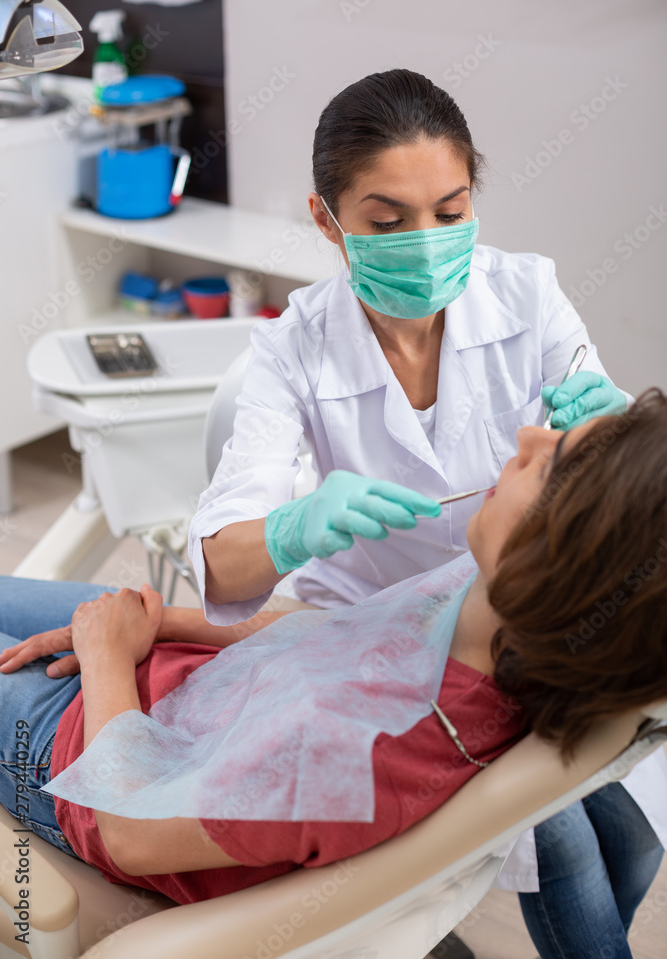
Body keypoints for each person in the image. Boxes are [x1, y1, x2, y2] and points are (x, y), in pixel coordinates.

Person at [1, 396, 665, 959]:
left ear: (568, 564)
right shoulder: (487, 612)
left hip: (78, 764)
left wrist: (106, 657)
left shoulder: (358, 749)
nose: (528, 434)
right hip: (170, 688)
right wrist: (154, 625)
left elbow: (130, 833)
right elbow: (322, 637)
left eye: (551, 464)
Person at [190, 67, 628, 629]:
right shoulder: (291, 347)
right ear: (326, 219)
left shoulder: (530, 297)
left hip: (512, 601)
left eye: (450, 215)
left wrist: (613, 434)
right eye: (388, 222)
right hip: (358, 615)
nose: (425, 246)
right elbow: (222, 570)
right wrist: (290, 532)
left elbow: (616, 484)